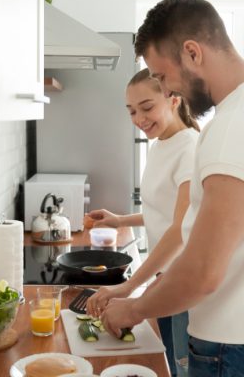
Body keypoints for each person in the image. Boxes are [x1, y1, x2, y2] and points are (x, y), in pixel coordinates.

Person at [93, 0, 244, 377]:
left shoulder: (229, 130)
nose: (170, 90)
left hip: (226, 340)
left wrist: (133, 305)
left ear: (193, 53)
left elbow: (204, 269)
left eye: (161, 76)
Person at [86, 67, 199, 377]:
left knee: (182, 368)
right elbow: (162, 209)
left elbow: (179, 230)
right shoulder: (161, 145)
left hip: (184, 282)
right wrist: (120, 219)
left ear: (174, 99)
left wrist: (129, 287)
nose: (138, 118)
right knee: (173, 365)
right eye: (132, 110)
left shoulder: (189, 148)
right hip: (164, 276)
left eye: (147, 107)